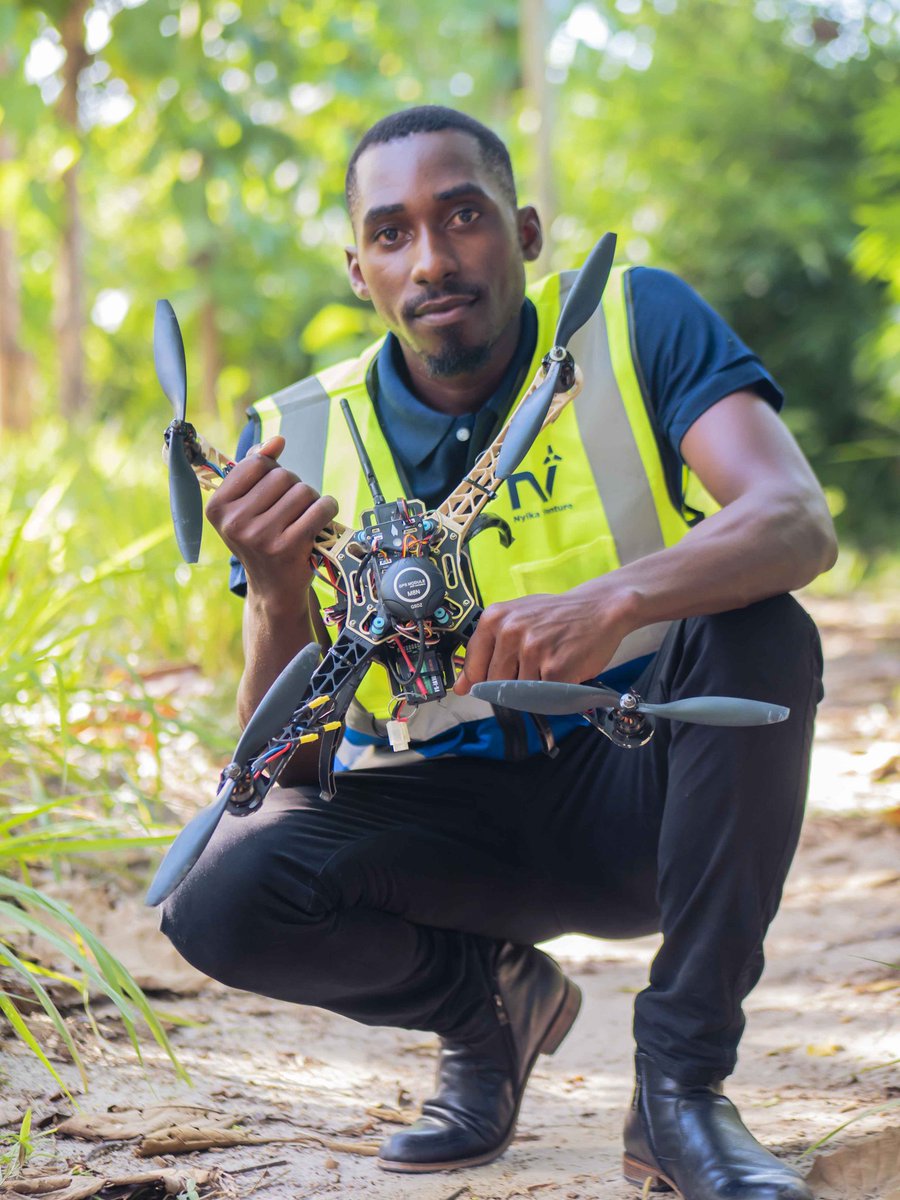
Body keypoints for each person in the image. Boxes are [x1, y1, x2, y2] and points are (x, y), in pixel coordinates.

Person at [160, 106, 836, 1197]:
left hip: (646, 793)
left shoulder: (631, 319)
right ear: (357, 269)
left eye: (462, 215)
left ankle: (680, 1092)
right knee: (215, 893)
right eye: (392, 234)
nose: (431, 258)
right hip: (449, 838)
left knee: (761, 626)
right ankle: (489, 1011)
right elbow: (279, 778)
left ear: (524, 231)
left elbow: (794, 516)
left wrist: (612, 602)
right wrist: (279, 594)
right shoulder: (293, 435)